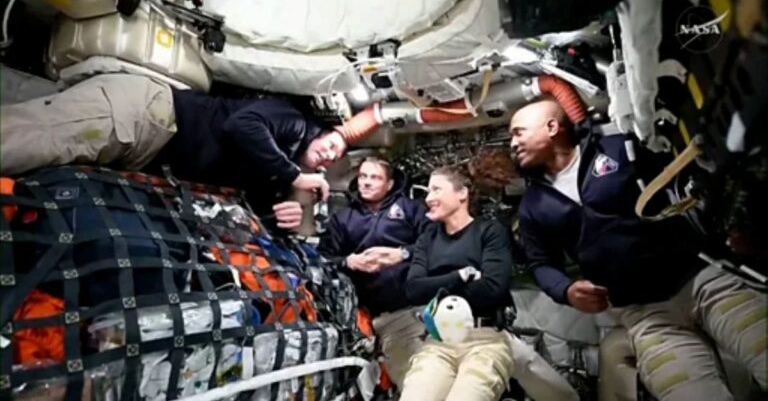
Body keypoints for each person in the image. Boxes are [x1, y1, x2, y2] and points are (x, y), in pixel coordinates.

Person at [511, 98, 767, 400]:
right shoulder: (532, 206)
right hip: (645, 314)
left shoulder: (619, 149)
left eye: (518, 132)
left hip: (703, 280)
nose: (512, 143)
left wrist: (737, 228)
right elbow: (540, 264)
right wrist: (566, 290)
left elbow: (694, 181)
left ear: (551, 127)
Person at [0, 73, 347, 229]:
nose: (330, 155)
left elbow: (239, 209)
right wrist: (296, 176)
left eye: (335, 160)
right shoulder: (293, 122)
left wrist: (278, 218)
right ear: (320, 130)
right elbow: (241, 127)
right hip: (145, 115)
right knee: (25, 141)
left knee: (32, 163)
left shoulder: (273, 168)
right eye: (332, 144)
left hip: (144, 154)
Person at [399, 166, 578, 401]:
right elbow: (413, 290)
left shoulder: (490, 232)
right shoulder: (427, 239)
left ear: (461, 194)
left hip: (484, 340)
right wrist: (461, 276)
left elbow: (492, 290)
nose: (428, 198)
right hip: (438, 342)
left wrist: (436, 288)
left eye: (436, 189)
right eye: (427, 192)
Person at [319, 156, 431, 387]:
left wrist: (402, 254)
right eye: (363, 176)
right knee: (411, 383)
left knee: (434, 378)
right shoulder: (343, 219)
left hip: (419, 308)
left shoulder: (410, 210)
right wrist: (349, 261)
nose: (367, 182)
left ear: (389, 184)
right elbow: (323, 259)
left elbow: (435, 244)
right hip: (378, 317)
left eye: (375, 177)